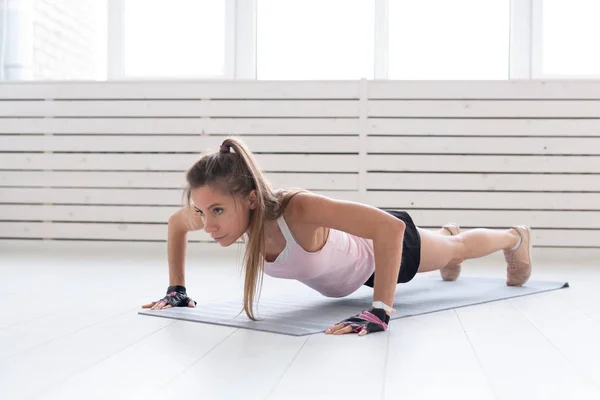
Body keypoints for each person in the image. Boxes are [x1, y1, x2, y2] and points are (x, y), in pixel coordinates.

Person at [142, 137, 532, 337]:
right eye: (203, 211)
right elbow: (177, 225)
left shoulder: (297, 208)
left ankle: (514, 237)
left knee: (454, 249)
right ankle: (446, 240)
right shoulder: (217, 216)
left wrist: (381, 309)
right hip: (356, 272)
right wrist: (177, 288)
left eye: (218, 211)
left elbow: (390, 229)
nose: (208, 225)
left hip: (384, 256)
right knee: (447, 248)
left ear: (250, 199)